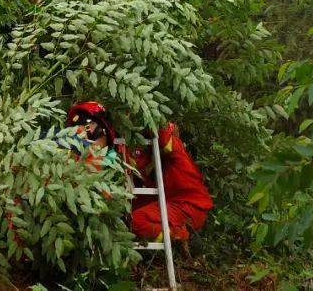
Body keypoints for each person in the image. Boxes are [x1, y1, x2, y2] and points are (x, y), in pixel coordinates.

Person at [66, 101, 212, 242]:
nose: (81, 133)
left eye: (85, 126)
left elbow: (162, 134)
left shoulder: (158, 140)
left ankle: (183, 235)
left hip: (187, 204)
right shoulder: (120, 150)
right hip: (164, 201)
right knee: (119, 216)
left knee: (133, 222)